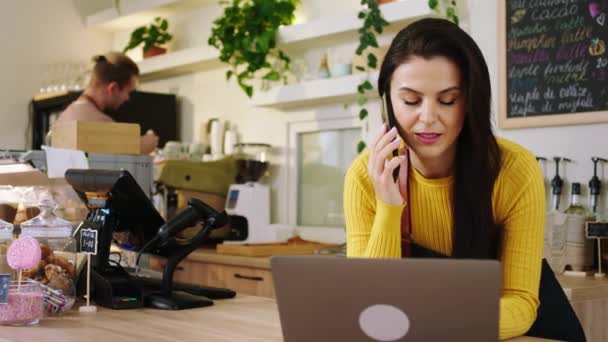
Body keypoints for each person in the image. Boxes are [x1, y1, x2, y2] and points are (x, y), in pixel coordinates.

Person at [344, 18, 547, 340]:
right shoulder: (364, 176)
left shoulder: (515, 171)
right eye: (410, 101)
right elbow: (368, 304)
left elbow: (521, 303)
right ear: (387, 102)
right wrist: (388, 206)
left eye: (448, 100)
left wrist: (433, 322)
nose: (428, 118)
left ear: (471, 101)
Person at [55, 52, 158, 154]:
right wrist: (142, 147)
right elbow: (120, 165)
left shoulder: (65, 115)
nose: (127, 98)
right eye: (128, 92)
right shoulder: (99, 123)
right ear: (113, 88)